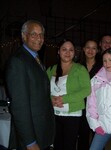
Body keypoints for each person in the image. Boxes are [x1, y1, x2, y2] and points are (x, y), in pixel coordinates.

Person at [5, 20, 55, 150]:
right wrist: (30, 142)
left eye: (41, 34)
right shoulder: (18, 61)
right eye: (34, 34)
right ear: (24, 36)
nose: (39, 38)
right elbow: (19, 106)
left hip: (40, 130)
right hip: (32, 135)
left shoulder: (34, 58)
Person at [46, 39, 91, 150]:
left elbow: (87, 90)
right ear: (58, 51)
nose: (68, 52)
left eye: (71, 50)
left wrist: (64, 99)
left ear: (74, 53)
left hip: (72, 115)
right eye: (64, 49)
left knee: (69, 146)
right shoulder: (51, 69)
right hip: (54, 113)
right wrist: (50, 99)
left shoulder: (80, 69)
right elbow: (43, 89)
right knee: (57, 145)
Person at [77, 40, 102, 150]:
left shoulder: (102, 65)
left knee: (99, 135)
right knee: (83, 135)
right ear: (83, 49)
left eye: (94, 48)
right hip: (81, 104)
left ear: (97, 50)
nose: (90, 50)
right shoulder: (77, 65)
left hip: (97, 106)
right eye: (88, 47)